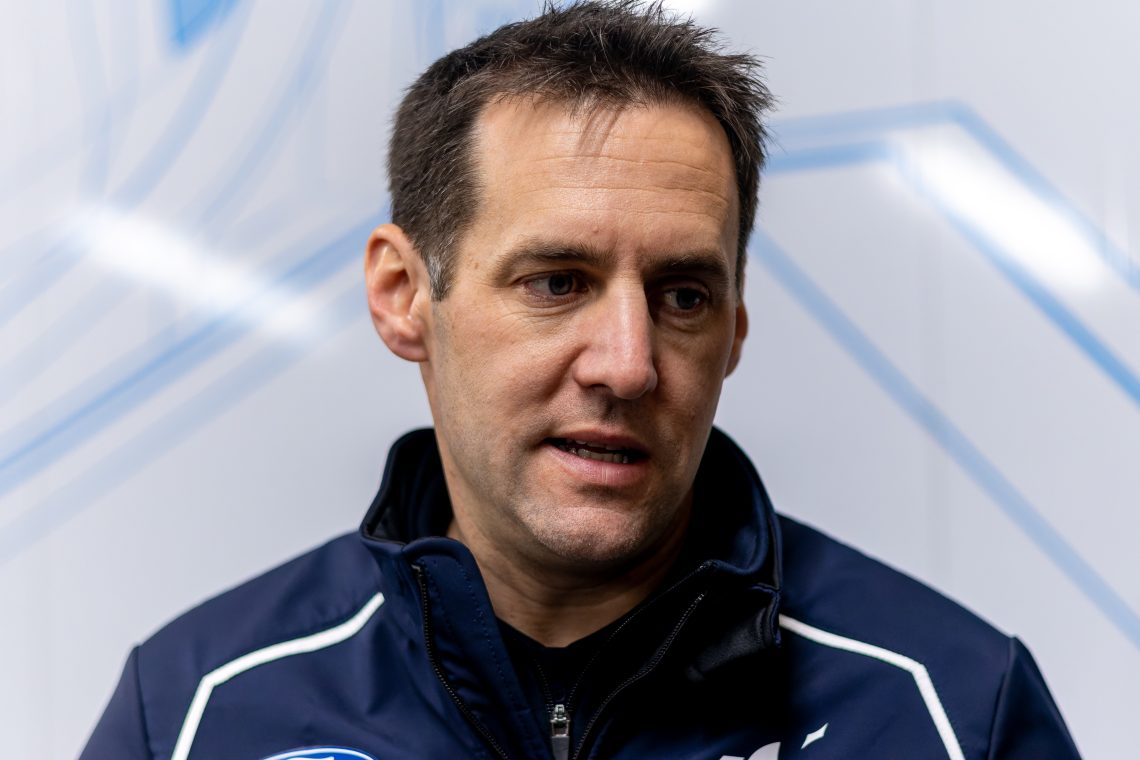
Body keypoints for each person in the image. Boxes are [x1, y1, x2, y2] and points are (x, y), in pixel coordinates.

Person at [82, 2, 1081, 758]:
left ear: (735, 327)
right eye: (557, 282)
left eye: (682, 295)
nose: (628, 363)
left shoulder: (949, 708)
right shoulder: (196, 711)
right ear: (403, 295)